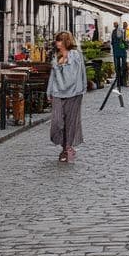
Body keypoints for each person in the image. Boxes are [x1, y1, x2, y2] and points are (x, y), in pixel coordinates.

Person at [47, 31, 86, 163]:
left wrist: (58, 68)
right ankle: (65, 146)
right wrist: (49, 91)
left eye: (59, 40)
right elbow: (52, 76)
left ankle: (66, 148)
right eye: (56, 40)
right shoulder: (56, 56)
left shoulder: (75, 56)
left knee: (70, 122)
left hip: (73, 93)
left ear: (65, 42)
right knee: (57, 122)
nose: (57, 43)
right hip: (58, 93)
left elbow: (71, 78)